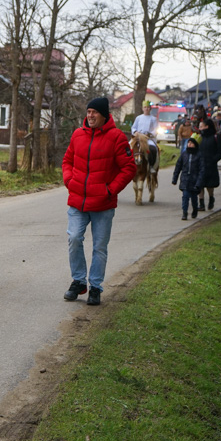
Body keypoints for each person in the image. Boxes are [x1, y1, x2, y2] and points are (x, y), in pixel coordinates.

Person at [62, 97, 137, 306]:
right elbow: (67, 160)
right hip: (78, 201)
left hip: (103, 204)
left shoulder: (117, 138)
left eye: (94, 112)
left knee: (100, 248)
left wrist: (110, 190)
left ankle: (95, 287)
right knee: (74, 238)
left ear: (104, 115)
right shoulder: (78, 135)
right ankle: (79, 281)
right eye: (88, 112)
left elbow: (129, 168)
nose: (90, 115)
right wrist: (69, 179)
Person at [172, 137, 205, 220]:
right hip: (185, 179)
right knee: (185, 197)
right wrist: (174, 178)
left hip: (195, 180)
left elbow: (202, 169)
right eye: (188, 143)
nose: (189, 144)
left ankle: (195, 209)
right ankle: (185, 212)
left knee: (194, 198)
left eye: (191, 143)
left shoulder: (199, 155)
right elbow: (178, 167)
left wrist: (199, 182)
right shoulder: (184, 154)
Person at [198, 117, 221, 211]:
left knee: (210, 185)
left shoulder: (216, 137)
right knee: (200, 184)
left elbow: (220, 151)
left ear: (207, 127)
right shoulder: (199, 138)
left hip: (211, 165)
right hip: (200, 164)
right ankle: (201, 203)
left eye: (201, 126)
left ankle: (211, 198)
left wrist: (214, 160)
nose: (199, 128)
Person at [131, 100, 159, 167]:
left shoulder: (153, 119)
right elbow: (133, 127)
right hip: (138, 138)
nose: (146, 109)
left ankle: (152, 165)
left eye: (148, 107)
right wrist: (135, 132)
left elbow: (156, 129)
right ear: (143, 108)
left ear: (150, 108)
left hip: (149, 139)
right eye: (145, 107)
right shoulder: (138, 118)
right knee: (130, 146)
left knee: (152, 148)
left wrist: (150, 134)